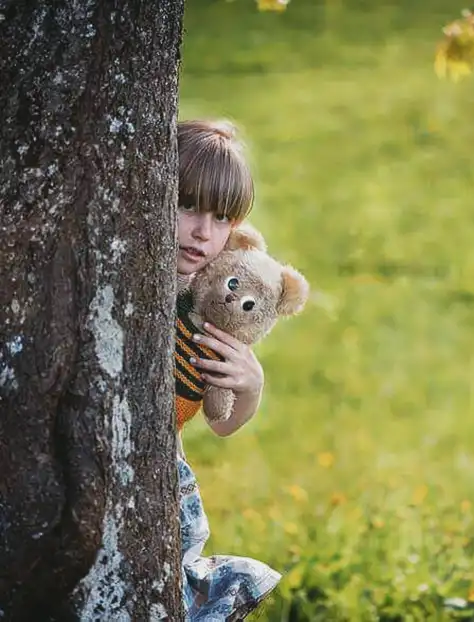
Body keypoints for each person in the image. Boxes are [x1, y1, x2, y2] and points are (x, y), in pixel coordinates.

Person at [173, 118, 281, 621]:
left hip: (165, 478)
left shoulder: (211, 296)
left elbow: (220, 424)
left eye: (221, 218)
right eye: (187, 205)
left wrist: (251, 390)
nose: (202, 232)